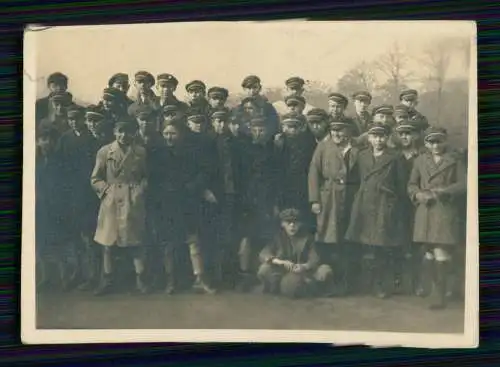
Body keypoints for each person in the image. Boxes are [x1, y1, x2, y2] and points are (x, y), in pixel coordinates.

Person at [150, 119, 217, 294]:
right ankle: (171, 281)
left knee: (193, 240)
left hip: (188, 200)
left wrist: (192, 187)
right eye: (166, 134)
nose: (169, 137)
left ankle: (199, 279)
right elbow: (152, 178)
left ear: (180, 135)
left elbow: (203, 172)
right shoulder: (157, 154)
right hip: (166, 202)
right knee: (169, 242)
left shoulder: (191, 152)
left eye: (173, 133)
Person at [407, 126, 467, 310]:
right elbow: (411, 184)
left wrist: (445, 191)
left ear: (445, 141)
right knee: (429, 252)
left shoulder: (455, 160)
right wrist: (417, 195)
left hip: (445, 209)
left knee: (441, 251)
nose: (435, 145)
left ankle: (440, 295)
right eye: (431, 142)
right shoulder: (419, 161)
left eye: (439, 141)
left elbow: (464, 184)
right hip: (425, 210)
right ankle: (433, 289)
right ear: (425, 143)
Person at [345, 122, 406, 299]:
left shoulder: (395, 157)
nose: (378, 140)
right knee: (365, 244)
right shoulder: (362, 156)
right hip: (364, 203)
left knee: (380, 245)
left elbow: (401, 186)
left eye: (382, 136)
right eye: (375, 136)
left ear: (387, 138)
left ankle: (379, 284)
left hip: (384, 204)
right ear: (369, 138)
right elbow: (356, 179)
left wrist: (394, 203)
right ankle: (366, 283)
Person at [90, 117, 149, 296]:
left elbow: (146, 176)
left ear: (134, 133)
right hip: (111, 200)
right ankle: (107, 279)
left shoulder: (140, 151)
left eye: (128, 131)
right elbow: (95, 178)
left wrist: (139, 190)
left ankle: (141, 279)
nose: (124, 135)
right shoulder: (105, 151)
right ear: (115, 133)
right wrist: (106, 190)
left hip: (133, 199)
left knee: (135, 240)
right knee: (108, 241)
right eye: (120, 131)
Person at [308, 117, 360, 296]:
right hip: (329, 197)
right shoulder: (323, 147)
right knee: (328, 237)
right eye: (333, 130)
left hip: (352, 196)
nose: (336, 134)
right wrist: (315, 200)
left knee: (348, 238)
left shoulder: (357, 148)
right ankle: (327, 281)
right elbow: (313, 173)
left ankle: (347, 282)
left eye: (341, 130)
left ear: (348, 131)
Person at [56, 104, 98, 291]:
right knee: (75, 237)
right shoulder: (65, 139)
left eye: (77, 119)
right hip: (71, 193)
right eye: (71, 119)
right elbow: (61, 165)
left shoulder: (92, 139)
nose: (74, 122)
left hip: (89, 193)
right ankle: (78, 273)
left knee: (89, 236)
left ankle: (93, 275)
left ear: (83, 119)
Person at [237, 116, 279, 291]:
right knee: (247, 238)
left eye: (262, 129)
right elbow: (239, 176)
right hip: (248, 200)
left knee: (267, 237)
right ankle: (245, 275)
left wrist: (275, 202)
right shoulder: (244, 150)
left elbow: (278, 177)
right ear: (250, 130)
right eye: (255, 129)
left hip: (267, 200)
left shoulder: (272, 150)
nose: (259, 132)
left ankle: (263, 275)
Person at [258, 208, 332, 298]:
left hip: (304, 272)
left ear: (300, 224)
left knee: (325, 270)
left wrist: (304, 266)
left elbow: (314, 258)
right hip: (283, 271)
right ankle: (277, 288)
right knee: (264, 269)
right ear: (282, 224)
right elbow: (264, 253)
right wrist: (281, 262)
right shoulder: (278, 237)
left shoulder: (308, 238)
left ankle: (311, 289)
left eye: (295, 222)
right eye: (288, 222)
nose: (292, 225)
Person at [205, 109, 242, 288]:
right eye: (217, 121)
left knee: (231, 235)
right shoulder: (207, 142)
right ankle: (214, 277)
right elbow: (203, 169)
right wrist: (206, 190)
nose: (221, 125)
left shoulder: (235, 143)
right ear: (212, 123)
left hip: (232, 193)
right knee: (213, 236)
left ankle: (230, 277)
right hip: (213, 195)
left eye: (223, 121)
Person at [393, 116, 427, 296]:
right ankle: (397, 281)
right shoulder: (393, 155)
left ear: (415, 135)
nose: (405, 137)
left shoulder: (423, 155)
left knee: (417, 243)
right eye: (401, 134)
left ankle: (418, 283)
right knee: (398, 241)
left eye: (408, 133)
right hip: (398, 204)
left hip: (416, 204)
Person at [35, 124, 65, 290]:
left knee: (58, 242)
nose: (47, 143)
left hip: (56, 205)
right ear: (38, 141)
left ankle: (62, 277)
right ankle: (45, 276)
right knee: (41, 242)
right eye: (43, 139)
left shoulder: (61, 160)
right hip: (39, 206)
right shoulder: (35, 161)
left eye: (51, 140)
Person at [274, 113, 316, 229]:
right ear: (283, 127)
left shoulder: (308, 144)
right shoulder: (276, 144)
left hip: (301, 189)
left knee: (301, 220)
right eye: (288, 126)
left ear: (300, 128)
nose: (291, 130)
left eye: (295, 127)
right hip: (282, 189)